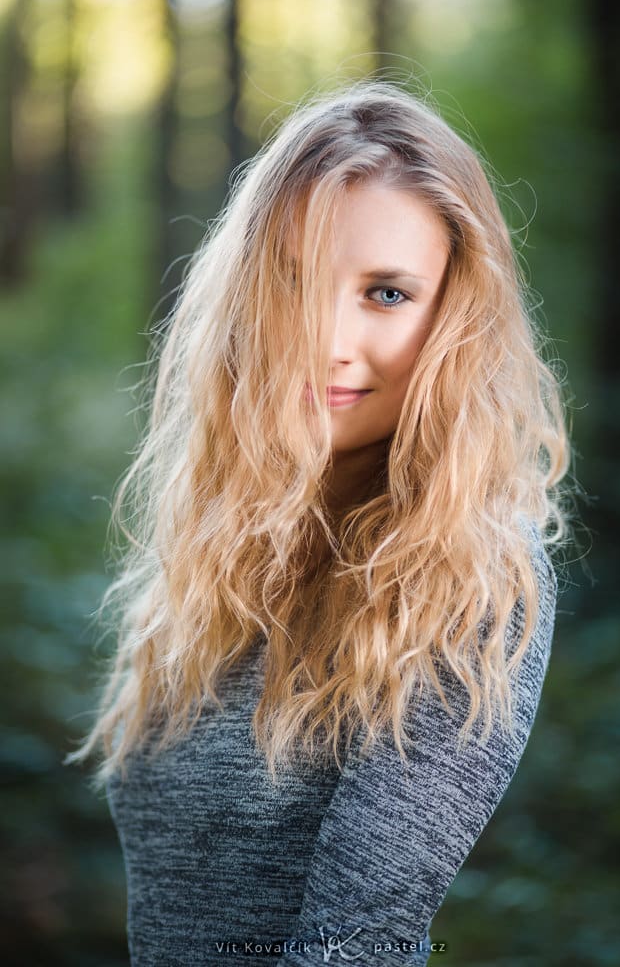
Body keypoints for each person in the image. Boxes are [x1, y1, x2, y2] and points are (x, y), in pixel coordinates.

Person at [65, 77, 574, 966]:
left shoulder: (471, 573)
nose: (327, 338)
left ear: (453, 318)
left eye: (385, 294)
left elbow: (359, 941)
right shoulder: (225, 542)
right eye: (296, 281)